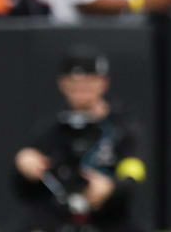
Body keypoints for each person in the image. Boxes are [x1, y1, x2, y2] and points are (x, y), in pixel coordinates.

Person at [13, 46, 147, 232]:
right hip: (59, 218)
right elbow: (25, 190)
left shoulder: (122, 127)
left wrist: (112, 187)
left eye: (88, 82)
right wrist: (23, 165)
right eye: (74, 83)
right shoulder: (53, 129)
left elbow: (134, 169)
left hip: (109, 219)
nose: (80, 89)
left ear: (103, 82)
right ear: (62, 84)